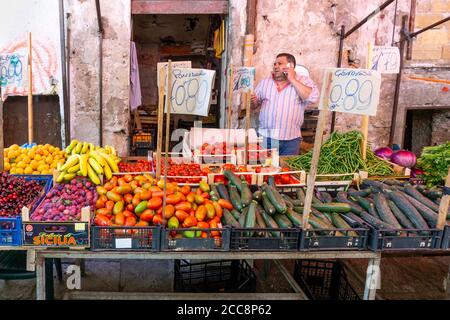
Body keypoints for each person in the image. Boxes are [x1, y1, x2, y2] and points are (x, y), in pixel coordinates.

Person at [251, 53, 319, 155]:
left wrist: (292, 79)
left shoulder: (304, 81)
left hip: (290, 140)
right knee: (263, 168)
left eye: (280, 63)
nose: (275, 66)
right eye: (275, 64)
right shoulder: (265, 82)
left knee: (287, 169)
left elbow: (312, 98)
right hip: (266, 138)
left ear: (290, 66)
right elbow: (254, 106)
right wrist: (253, 101)